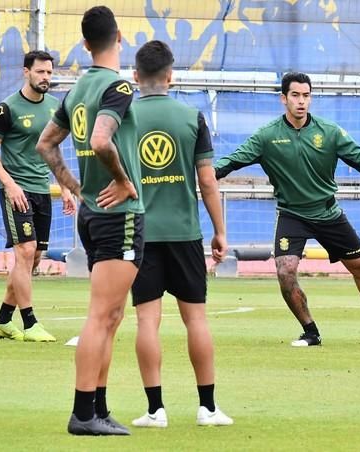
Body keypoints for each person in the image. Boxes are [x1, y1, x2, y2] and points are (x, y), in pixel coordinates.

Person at [214, 71, 360, 347]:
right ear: (283, 99)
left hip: (328, 213)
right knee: (285, 271)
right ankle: (311, 331)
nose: (301, 101)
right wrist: (206, 174)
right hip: (292, 215)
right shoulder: (267, 136)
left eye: (306, 96)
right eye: (295, 95)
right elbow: (234, 160)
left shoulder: (329, 132)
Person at [36, 6, 144, 435]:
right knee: (102, 315)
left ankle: (98, 407)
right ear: (119, 37)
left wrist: (74, 186)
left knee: (112, 315)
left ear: (84, 44)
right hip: (118, 215)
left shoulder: (78, 87)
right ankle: (83, 413)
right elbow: (101, 139)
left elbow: (47, 145)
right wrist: (123, 179)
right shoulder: (117, 85)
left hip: (92, 213)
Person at [128, 40, 233, 428]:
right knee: (197, 320)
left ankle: (155, 411)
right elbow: (207, 181)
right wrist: (219, 231)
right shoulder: (192, 117)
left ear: (136, 76)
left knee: (146, 321)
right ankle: (208, 408)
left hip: (140, 233)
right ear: (170, 76)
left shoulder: (122, 117)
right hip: (186, 233)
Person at [0, 50, 75, 343]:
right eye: (40, 72)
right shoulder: (7, 108)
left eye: (49, 73)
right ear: (26, 72)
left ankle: (3, 321)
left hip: (41, 190)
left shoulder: (55, 108)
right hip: (16, 191)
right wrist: (9, 184)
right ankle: (30, 323)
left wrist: (66, 187)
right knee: (24, 251)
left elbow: (52, 152)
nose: (46, 77)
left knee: (32, 259)